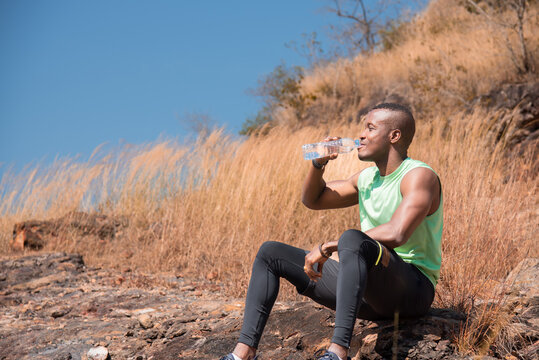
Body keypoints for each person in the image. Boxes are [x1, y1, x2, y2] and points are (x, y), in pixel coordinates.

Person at [220, 103, 443, 360]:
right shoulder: (366, 178)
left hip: (411, 290)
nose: (361, 134)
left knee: (352, 238)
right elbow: (313, 199)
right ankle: (242, 354)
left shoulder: (418, 176)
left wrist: (330, 246)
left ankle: (337, 352)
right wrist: (318, 165)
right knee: (271, 253)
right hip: (368, 296)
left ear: (394, 136)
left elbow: (397, 233)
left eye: (370, 128)